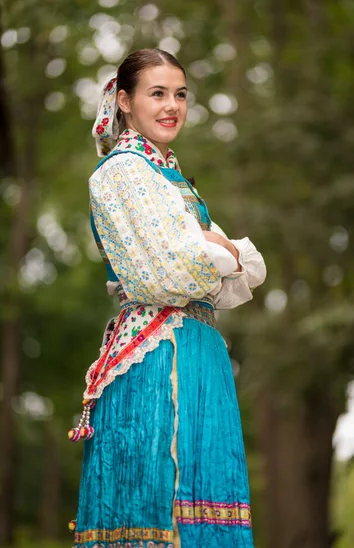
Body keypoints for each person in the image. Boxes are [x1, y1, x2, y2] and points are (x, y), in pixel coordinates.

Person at [69, 48, 266, 548]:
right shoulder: (122, 173)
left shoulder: (172, 179)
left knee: (205, 502)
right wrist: (217, 253)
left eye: (180, 94)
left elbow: (241, 270)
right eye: (157, 93)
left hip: (198, 347)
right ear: (125, 101)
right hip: (156, 355)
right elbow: (169, 272)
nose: (171, 105)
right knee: (157, 501)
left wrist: (217, 255)